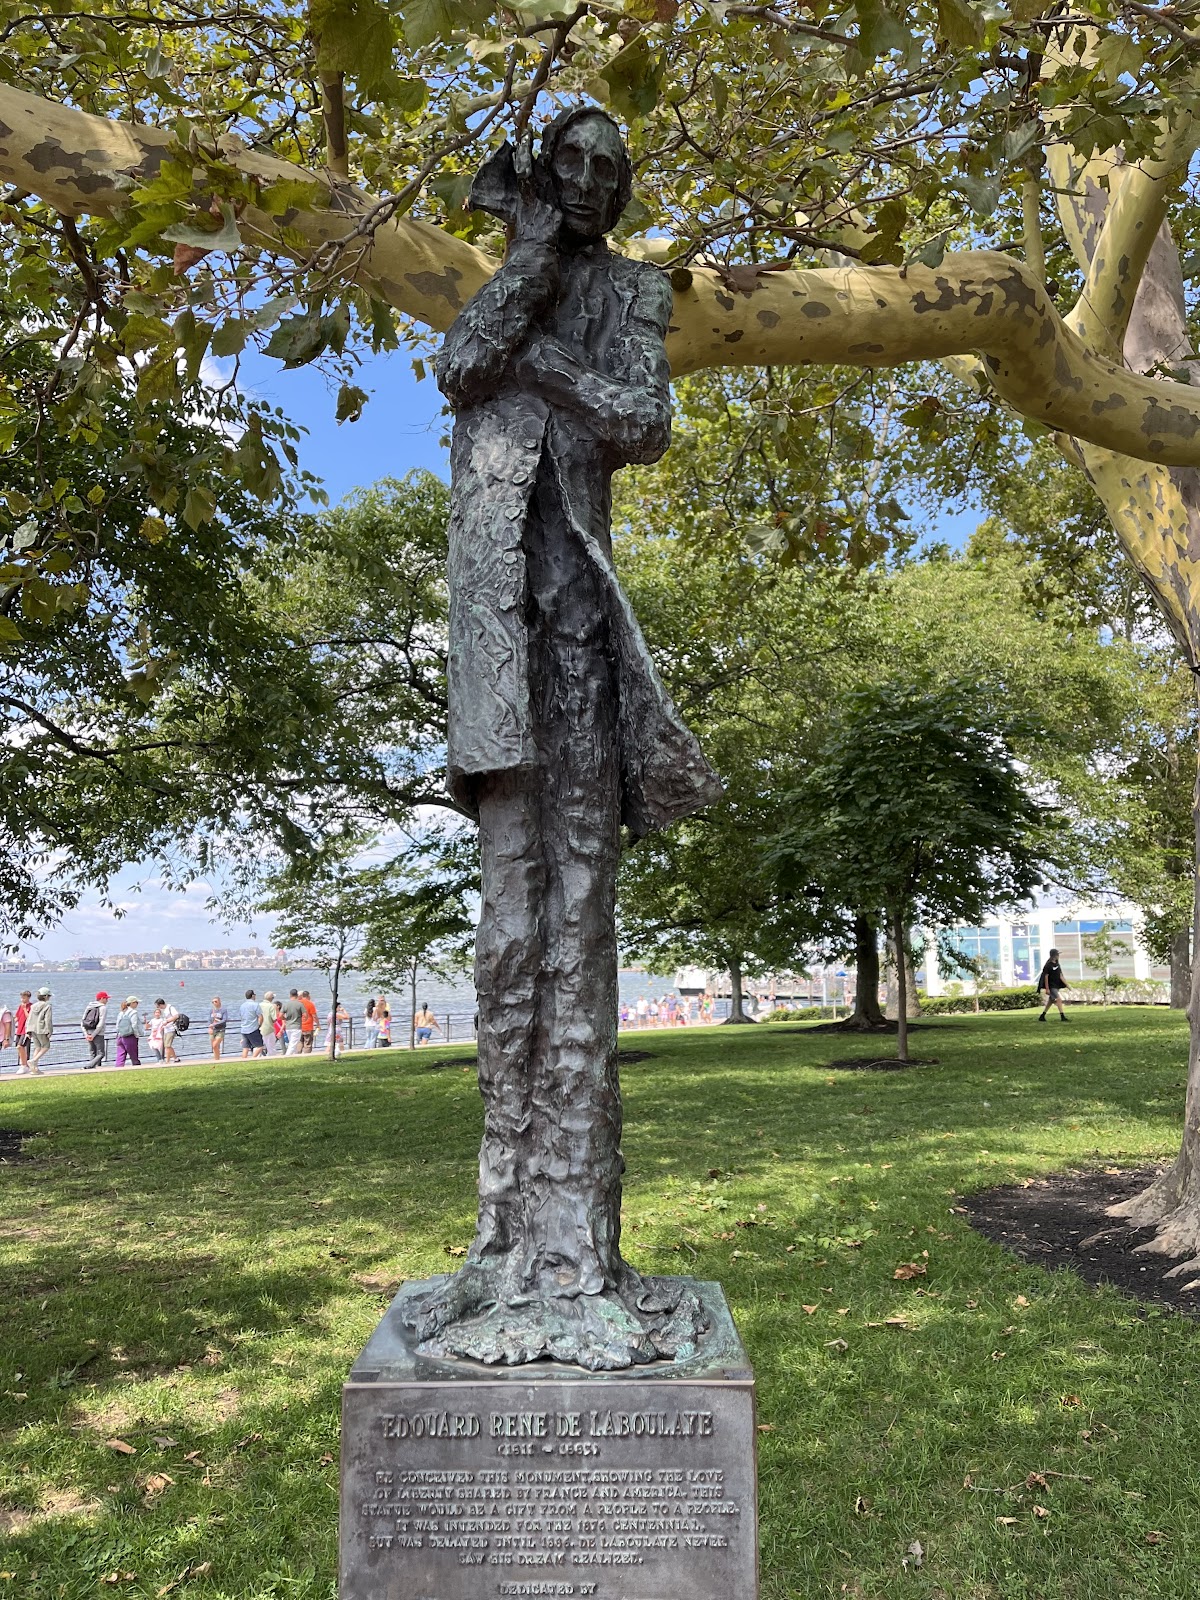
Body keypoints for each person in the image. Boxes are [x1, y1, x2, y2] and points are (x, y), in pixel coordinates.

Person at [24, 986, 53, 1074]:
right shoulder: (47, 1006)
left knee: (37, 1047)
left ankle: (34, 1069)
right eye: (49, 996)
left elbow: (29, 1018)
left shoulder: (33, 1006)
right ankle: (33, 1061)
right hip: (42, 1029)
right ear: (46, 996)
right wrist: (50, 1031)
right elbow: (48, 1020)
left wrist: (27, 1030)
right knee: (46, 1046)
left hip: (32, 1029)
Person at [1037, 949, 1070, 1022]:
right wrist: (1047, 988)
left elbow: (1061, 976)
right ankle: (1062, 1016)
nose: (1058, 956)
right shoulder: (1048, 965)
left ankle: (1042, 1016)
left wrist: (1067, 985)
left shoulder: (1057, 965)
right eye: (1057, 954)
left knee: (1051, 1001)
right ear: (1054, 955)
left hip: (1056, 985)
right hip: (1051, 986)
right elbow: (1046, 977)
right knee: (1058, 999)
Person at [81, 991, 109, 1070]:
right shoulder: (103, 1007)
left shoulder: (89, 1006)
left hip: (88, 1031)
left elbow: (83, 1021)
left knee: (93, 1052)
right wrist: (94, 1035)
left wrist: (86, 1034)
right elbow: (101, 1023)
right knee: (101, 1053)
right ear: (102, 999)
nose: (107, 1000)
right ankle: (89, 1066)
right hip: (98, 1033)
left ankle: (95, 1068)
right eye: (106, 998)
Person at [114, 997, 141, 1067]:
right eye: (136, 1003)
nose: (137, 1004)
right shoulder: (133, 1012)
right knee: (134, 1055)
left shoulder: (121, 1012)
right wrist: (137, 1034)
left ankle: (118, 1069)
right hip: (129, 1036)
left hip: (120, 1036)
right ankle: (137, 1067)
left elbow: (117, 1025)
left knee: (120, 1055)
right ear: (132, 1003)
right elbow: (134, 1025)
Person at [240, 989, 266, 1058]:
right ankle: (253, 1058)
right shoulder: (255, 1004)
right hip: (253, 1028)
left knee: (245, 1047)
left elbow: (241, 1016)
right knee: (259, 1046)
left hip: (244, 1028)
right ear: (252, 996)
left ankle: (243, 1060)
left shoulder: (242, 1005)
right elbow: (260, 1017)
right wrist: (259, 1025)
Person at [282, 988, 305, 1055]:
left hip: (288, 1027)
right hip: (297, 1026)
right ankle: (287, 1056)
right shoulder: (300, 1004)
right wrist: (302, 1019)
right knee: (293, 1043)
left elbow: (280, 1015)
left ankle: (294, 1055)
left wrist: (285, 1019)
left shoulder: (286, 1004)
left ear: (290, 995)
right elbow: (305, 1015)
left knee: (292, 1043)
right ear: (297, 995)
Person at [14, 989, 30, 1073]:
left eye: (24, 997)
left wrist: (24, 1009)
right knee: (18, 1047)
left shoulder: (31, 1006)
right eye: (21, 998)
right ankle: (23, 1064)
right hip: (19, 1030)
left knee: (20, 1046)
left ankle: (24, 1066)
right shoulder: (20, 1006)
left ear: (28, 997)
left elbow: (30, 1018)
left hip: (26, 1030)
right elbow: (16, 1017)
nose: (22, 999)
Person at [209, 995, 228, 1061]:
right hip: (213, 1030)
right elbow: (209, 1020)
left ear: (219, 1002)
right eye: (213, 1002)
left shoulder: (223, 1010)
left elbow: (224, 1020)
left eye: (216, 1001)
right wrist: (209, 1027)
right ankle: (217, 1059)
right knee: (214, 1047)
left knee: (215, 1045)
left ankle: (217, 1060)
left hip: (220, 1030)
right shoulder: (211, 1010)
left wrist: (216, 1023)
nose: (214, 1003)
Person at [298, 989, 318, 1053]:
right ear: (308, 996)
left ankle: (298, 1054)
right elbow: (314, 1016)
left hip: (298, 1026)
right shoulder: (310, 1004)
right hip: (308, 1026)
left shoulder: (298, 1003)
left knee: (300, 1042)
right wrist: (318, 1024)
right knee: (308, 1043)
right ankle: (306, 1055)